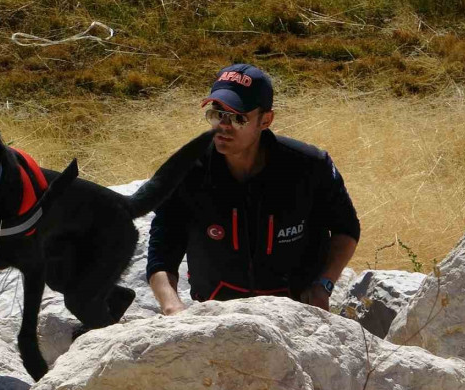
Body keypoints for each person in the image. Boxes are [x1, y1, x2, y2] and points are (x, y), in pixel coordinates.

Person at [146, 64, 360, 315]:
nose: (223, 126)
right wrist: (172, 305)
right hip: (216, 313)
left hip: (294, 313)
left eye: (238, 118)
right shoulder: (186, 171)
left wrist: (322, 286)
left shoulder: (309, 166)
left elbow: (346, 228)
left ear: (265, 120)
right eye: (217, 114)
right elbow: (162, 251)